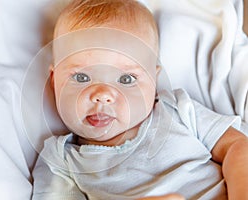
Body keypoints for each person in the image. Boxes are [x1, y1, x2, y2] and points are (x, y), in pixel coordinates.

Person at [32, 0, 248, 199]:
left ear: (154, 80)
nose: (103, 96)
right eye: (82, 77)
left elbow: (237, 147)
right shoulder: (61, 161)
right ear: (54, 80)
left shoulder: (176, 109)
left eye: (126, 79)